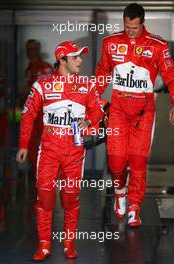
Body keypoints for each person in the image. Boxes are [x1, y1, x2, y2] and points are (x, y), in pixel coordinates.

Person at [16, 41, 104, 261]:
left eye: (81, 57)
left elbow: (98, 112)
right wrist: (23, 145)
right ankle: (44, 244)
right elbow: (28, 116)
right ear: (62, 59)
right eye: (75, 57)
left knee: (69, 198)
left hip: (74, 152)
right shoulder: (42, 84)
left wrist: (89, 123)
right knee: (45, 197)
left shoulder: (88, 84)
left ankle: (69, 243)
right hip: (48, 151)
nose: (81, 61)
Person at [95, 3, 174, 227]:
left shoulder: (158, 45)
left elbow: (171, 75)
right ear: (124, 22)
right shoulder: (110, 43)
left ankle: (134, 207)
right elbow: (102, 74)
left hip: (144, 111)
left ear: (142, 23)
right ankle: (120, 194)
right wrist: (90, 102)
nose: (130, 31)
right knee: (117, 161)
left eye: (134, 28)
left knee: (138, 162)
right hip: (118, 109)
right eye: (127, 27)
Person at [16, 39, 53, 175]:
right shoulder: (28, 69)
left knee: (46, 140)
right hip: (32, 111)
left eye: (32, 48)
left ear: (38, 49)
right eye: (28, 49)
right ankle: (37, 170)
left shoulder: (45, 67)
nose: (29, 52)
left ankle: (46, 171)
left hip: (44, 111)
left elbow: (49, 88)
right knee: (30, 142)